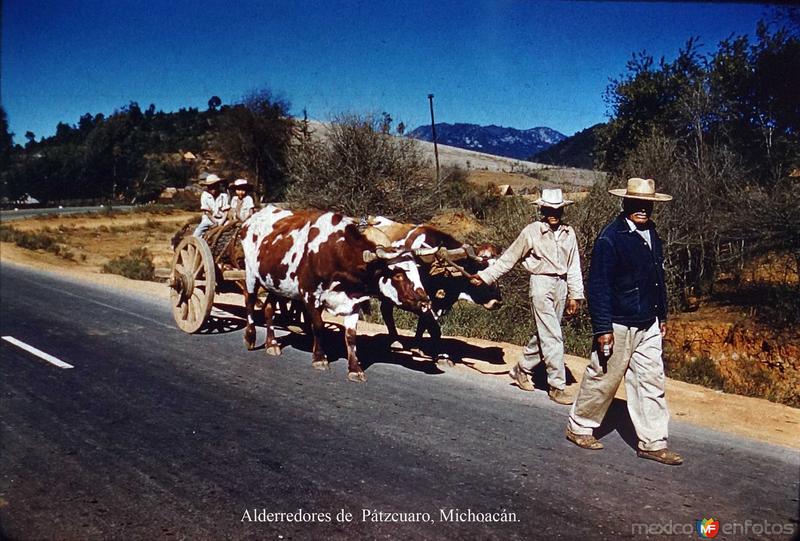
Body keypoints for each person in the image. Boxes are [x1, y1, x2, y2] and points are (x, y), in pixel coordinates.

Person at [566, 177, 683, 466]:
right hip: (619, 322)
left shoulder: (652, 233)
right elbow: (599, 286)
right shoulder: (611, 238)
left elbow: (657, 279)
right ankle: (579, 426)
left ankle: (653, 442)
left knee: (651, 380)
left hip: (649, 322)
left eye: (648, 205)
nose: (643, 209)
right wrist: (603, 328)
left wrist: (662, 314)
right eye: (637, 204)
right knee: (604, 377)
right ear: (625, 202)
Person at [474, 188, 584, 404]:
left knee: (546, 333)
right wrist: (485, 277)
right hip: (541, 283)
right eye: (548, 209)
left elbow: (574, 266)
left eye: (557, 209)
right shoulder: (531, 232)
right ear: (541, 209)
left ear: (563, 210)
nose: (552, 213)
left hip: (561, 285)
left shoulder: (569, 233)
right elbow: (509, 258)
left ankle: (521, 368)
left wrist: (575, 295)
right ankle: (556, 385)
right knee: (553, 335)